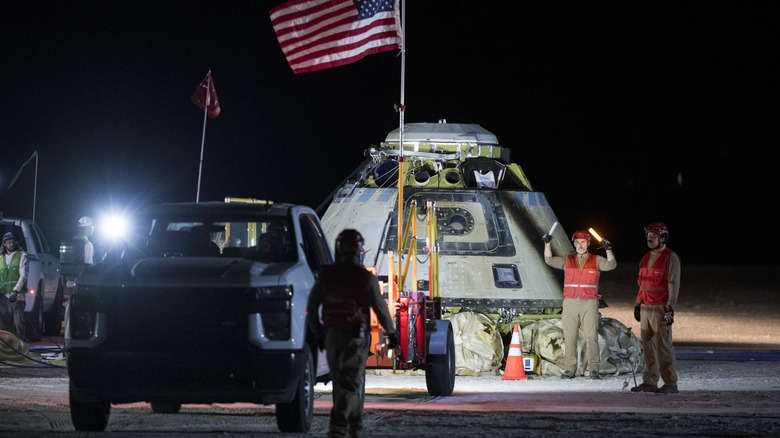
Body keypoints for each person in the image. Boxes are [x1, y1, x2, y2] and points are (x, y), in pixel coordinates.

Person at [307, 229, 399, 438]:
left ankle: (355, 428)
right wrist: (392, 333)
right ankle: (339, 429)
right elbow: (380, 309)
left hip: (331, 336)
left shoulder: (326, 276)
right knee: (350, 384)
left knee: (342, 382)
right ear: (359, 250)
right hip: (355, 338)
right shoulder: (365, 278)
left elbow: (312, 308)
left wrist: (319, 333)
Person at [543, 229, 616, 379]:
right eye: (577, 242)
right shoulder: (567, 259)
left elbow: (611, 265)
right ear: (574, 244)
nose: (580, 245)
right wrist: (547, 244)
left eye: (583, 242)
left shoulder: (596, 260)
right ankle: (570, 369)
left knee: (591, 336)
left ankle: (594, 369)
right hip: (570, 302)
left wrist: (608, 249)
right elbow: (549, 260)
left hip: (589, 303)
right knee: (570, 337)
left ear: (588, 243)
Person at [631, 222, 681, 394]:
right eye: (648, 235)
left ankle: (670, 382)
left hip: (661, 307)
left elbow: (673, 284)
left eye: (653, 235)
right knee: (648, 345)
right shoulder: (645, 257)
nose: (649, 238)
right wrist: (638, 304)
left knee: (663, 346)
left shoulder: (670, 258)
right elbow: (642, 284)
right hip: (645, 306)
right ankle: (650, 381)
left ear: (663, 237)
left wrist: (670, 308)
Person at [0, 232, 28, 339]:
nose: (11, 244)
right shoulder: (1, 258)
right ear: (4, 244)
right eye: (8, 242)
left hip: (17, 296)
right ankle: (8, 346)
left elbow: (24, 275)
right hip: (3, 297)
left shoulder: (22, 256)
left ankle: (21, 344)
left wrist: (16, 291)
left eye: (12, 242)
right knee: (5, 325)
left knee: (18, 322)